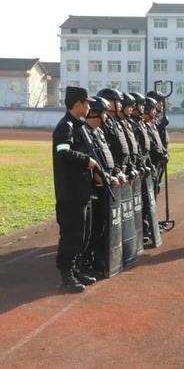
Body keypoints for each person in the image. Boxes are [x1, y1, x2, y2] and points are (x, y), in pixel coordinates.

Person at [52, 86, 99, 293]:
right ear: (78, 104)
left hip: (82, 190)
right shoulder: (65, 127)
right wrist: (86, 160)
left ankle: (77, 269)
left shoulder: (79, 126)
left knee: (83, 235)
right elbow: (63, 153)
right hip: (70, 193)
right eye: (87, 102)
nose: (89, 106)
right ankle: (66, 276)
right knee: (71, 235)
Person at [83, 96, 120, 277]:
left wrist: (113, 174)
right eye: (105, 113)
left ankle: (98, 258)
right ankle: (90, 261)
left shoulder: (98, 132)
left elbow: (107, 158)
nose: (107, 117)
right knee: (93, 228)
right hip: (92, 190)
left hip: (105, 185)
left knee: (102, 226)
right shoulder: (83, 133)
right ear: (96, 113)